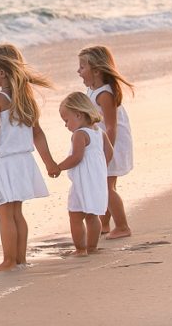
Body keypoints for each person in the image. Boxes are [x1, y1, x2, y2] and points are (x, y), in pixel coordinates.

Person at [0, 43, 59, 273]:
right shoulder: (27, 100)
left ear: (2, 72)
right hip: (24, 161)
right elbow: (38, 134)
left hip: (5, 162)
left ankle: (8, 261)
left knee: (5, 213)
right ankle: (20, 259)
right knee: (16, 212)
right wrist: (49, 161)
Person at [78, 45, 135, 239]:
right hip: (103, 142)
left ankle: (122, 226)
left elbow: (111, 126)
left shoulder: (104, 94)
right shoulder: (93, 90)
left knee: (105, 185)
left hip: (112, 142)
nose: (78, 71)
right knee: (106, 183)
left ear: (96, 70)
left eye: (82, 67)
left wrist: (106, 151)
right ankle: (104, 224)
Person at [56, 92, 113, 256]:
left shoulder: (79, 134)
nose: (66, 125)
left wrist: (58, 167)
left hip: (82, 183)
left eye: (66, 120)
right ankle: (92, 247)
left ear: (78, 114)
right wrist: (98, 168)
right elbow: (109, 153)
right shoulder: (99, 132)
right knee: (92, 216)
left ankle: (81, 249)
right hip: (97, 181)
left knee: (75, 216)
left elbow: (76, 157)